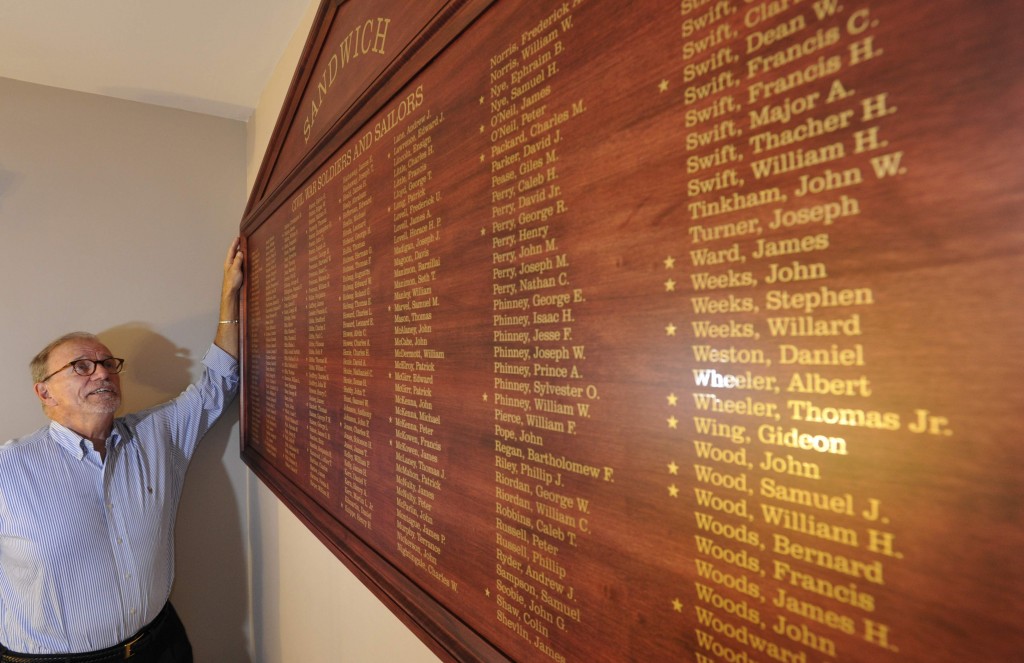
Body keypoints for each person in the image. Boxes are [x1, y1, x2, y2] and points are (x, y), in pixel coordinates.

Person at [0, 238, 244, 662]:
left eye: (109, 364)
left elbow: (216, 386)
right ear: (44, 392)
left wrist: (229, 301)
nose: (102, 373)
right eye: (81, 366)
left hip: (159, 644)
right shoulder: (8, 469)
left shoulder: (155, 434)